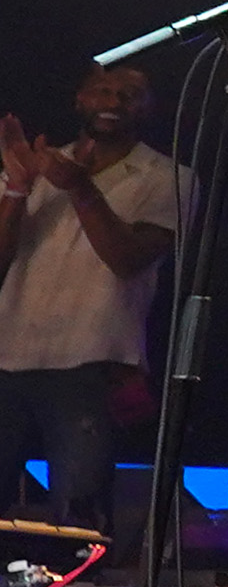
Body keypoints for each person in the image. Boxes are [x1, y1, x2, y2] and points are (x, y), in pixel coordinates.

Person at [0, 64, 186, 535]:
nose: (114, 100)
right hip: (8, 352)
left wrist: (81, 188)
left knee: (80, 518)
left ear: (147, 109)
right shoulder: (39, 163)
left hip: (93, 359)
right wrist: (18, 187)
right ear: (79, 99)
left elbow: (127, 258)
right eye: (103, 90)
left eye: (130, 94)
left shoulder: (167, 177)